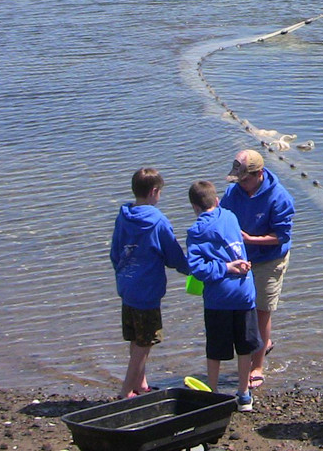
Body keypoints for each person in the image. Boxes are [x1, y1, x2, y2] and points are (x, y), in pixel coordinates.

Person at [110, 168, 189, 399]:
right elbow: (173, 256)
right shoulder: (158, 222)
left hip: (127, 287)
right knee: (145, 342)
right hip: (147, 291)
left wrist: (122, 274)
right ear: (154, 191)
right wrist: (194, 270)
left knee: (136, 338)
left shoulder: (123, 215)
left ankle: (140, 383)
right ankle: (126, 390)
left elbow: (115, 252)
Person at [219, 149, 295, 390]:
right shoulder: (233, 192)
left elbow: (281, 236)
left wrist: (251, 239)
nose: (241, 184)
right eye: (238, 180)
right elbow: (221, 217)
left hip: (270, 258)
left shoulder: (279, 197)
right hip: (241, 257)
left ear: (259, 174)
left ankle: (257, 366)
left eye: (246, 179)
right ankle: (264, 343)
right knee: (242, 309)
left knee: (261, 311)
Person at [186, 180, 259, 411]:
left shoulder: (196, 230)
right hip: (245, 293)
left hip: (219, 298)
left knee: (215, 348)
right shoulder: (230, 217)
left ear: (194, 207)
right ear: (216, 201)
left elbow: (197, 269)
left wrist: (225, 267)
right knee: (245, 346)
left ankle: (213, 393)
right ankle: (244, 394)